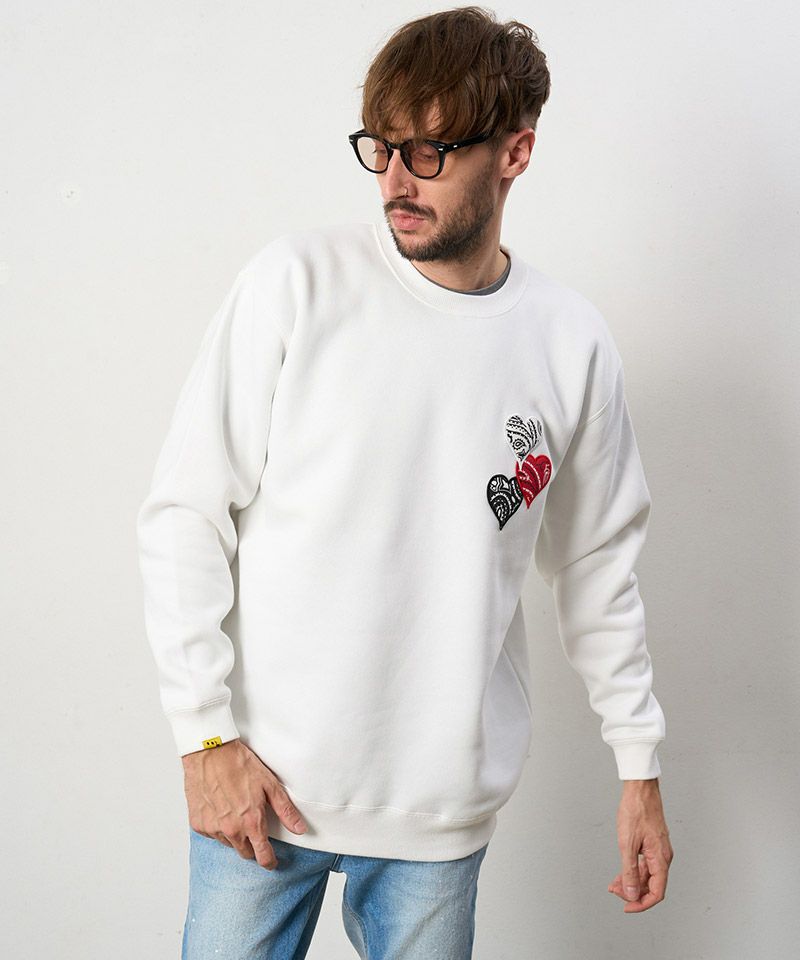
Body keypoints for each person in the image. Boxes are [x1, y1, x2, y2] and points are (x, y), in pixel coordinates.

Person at [136, 6, 674, 958]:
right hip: (257, 792)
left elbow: (596, 569)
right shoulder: (297, 284)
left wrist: (639, 767)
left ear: (514, 153)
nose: (394, 180)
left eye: (429, 152)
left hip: (438, 814)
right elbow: (186, 513)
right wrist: (205, 740)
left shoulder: (569, 341)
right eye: (380, 148)